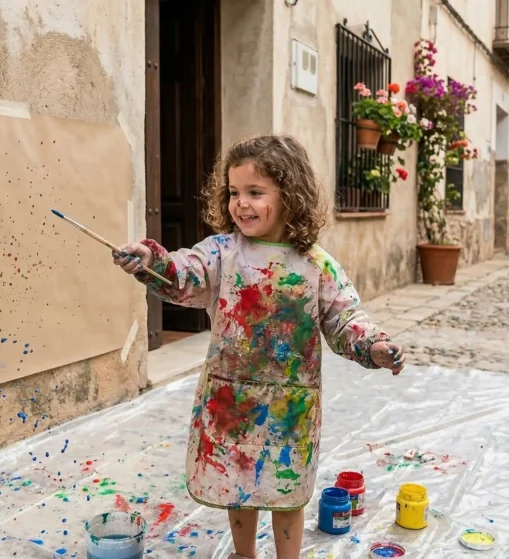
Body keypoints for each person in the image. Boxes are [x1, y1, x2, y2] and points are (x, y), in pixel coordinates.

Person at [112, 135, 404, 558]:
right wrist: (151, 262)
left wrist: (374, 347)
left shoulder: (316, 264)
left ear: (290, 195)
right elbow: (182, 274)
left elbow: (345, 318)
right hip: (231, 401)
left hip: (291, 407)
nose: (241, 204)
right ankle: (244, 554)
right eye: (234, 193)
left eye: (255, 192)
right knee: (237, 484)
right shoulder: (222, 252)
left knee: (288, 492)